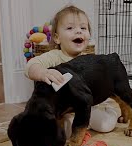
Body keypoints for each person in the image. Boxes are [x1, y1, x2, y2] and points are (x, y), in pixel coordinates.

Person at [25, 5, 118, 137]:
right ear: (57, 38)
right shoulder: (53, 57)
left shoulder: (89, 60)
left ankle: (110, 111)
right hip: (65, 111)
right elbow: (31, 65)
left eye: (83, 28)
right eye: (70, 28)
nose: (78, 31)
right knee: (60, 132)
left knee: (106, 125)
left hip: (89, 107)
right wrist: (42, 72)